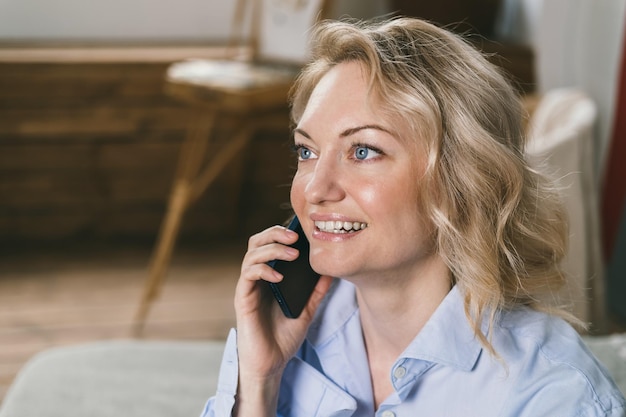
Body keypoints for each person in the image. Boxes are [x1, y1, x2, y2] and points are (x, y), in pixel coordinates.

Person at [200, 17, 626, 417]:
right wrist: (258, 384)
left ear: (461, 179)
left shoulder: (552, 397)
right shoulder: (285, 337)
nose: (313, 189)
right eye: (306, 151)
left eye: (363, 151)